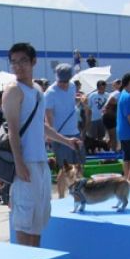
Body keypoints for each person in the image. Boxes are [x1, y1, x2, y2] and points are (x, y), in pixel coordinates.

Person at [4, 43, 80, 247]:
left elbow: (41, 126)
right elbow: (12, 130)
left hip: (41, 161)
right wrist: (19, 164)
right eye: (14, 62)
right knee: (23, 218)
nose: (18, 66)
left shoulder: (37, 89)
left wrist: (66, 141)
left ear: (33, 62)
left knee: (39, 217)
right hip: (25, 163)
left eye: (23, 61)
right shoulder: (13, 90)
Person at [45, 63, 84, 197]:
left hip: (75, 132)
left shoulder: (72, 87)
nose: (64, 84)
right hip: (60, 135)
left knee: (79, 165)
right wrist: (50, 134)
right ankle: (61, 196)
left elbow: (71, 101)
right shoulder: (50, 92)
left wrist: (80, 99)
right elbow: (48, 114)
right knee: (64, 167)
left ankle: (78, 192)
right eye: (61, 81)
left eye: (66, 81)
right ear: (56, 78)